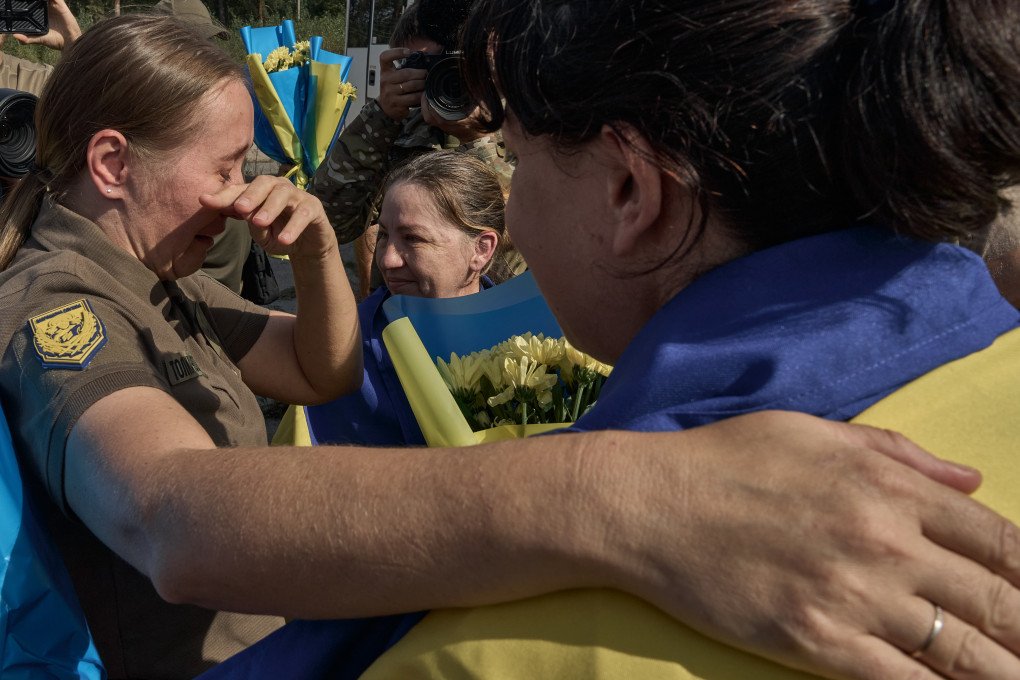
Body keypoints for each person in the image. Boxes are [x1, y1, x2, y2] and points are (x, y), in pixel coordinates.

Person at [1, 12, 1018, 680]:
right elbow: (165, 514)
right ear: (112, 162)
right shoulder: (60, 301)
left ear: (629, 190)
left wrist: (317, 240)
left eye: (519, 156)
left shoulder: (165, 281)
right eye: (228, 166)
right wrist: (622, 491)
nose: (242, 192)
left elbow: (323, 370)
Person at [295, 150, 514, 447]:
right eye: (384, 235)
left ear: (481, 250)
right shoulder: (346, 346)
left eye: (413, 239)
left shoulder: (532, 343)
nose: (387, 260)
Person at [310, 0, 518, 300]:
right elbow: (329, 221)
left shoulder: (519, 123)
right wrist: (380, 115)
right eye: (425, 66)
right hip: (402, 315)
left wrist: (477, 139)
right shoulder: (397, 125)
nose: (446, 76)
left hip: (498, 315)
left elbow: (526, 242)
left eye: (459, 64)